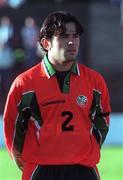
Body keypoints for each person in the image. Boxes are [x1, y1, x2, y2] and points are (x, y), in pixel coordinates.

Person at [3, 11, 111, 180]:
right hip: (40, 171)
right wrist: (30, 160)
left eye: (75, 36)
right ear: (46, 43)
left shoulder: (95, 82)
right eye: (63, 36)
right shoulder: (24, 84)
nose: (71, 41)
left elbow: (102, 122)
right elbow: (13, 131)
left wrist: (85, 149)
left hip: (84, 170)